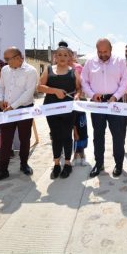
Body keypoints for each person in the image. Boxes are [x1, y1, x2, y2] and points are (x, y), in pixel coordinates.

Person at [0, 47, 38, 186]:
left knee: (24, 138)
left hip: (24, 109)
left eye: (7, 59)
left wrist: (13, 106)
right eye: (5, 59)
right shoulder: (5, 70)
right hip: (7, 110)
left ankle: (24, 164)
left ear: (18, 57)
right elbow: (0, 87)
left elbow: (29, 92)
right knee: (5, 140)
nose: (5, 62)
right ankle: (2, 170)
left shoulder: (31, 71)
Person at [81, 38, 127, 177]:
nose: (102, 55)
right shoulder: (90, 62)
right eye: (99, 52)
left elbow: (125, 81)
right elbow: (84, 81)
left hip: (115, 102)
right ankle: (99, 163)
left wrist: (116, 96)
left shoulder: (119, 61)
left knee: (118, 135)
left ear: (111, 49)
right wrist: (91, 94)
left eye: (105, 51)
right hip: (97, 103)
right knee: (98, 135)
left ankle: (119, 164)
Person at [38, 46, 81, 179]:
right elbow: (39, 87)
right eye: (59, 55)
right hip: (51, 109)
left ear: (70, 57)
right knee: (56, 136)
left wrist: (78, 96)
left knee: (67, 136)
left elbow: (79, 89)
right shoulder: (49, 69)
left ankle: (67, 164)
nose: (62, 57)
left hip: (69, 110)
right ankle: (56, 164)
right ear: (55, 57)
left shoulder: (74, 72)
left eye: (65, 55)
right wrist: (55, 91)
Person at [67, 47, 88, 166]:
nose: (67, 58)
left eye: (69, 55)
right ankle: (73, 155)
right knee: (70, 130)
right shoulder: (57, 69)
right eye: (63, 55)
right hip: (65, 104)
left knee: (81, 128)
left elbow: (83, 85)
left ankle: (82, 154)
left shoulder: (79, 68)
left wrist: (78, 95)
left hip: (79, 102)